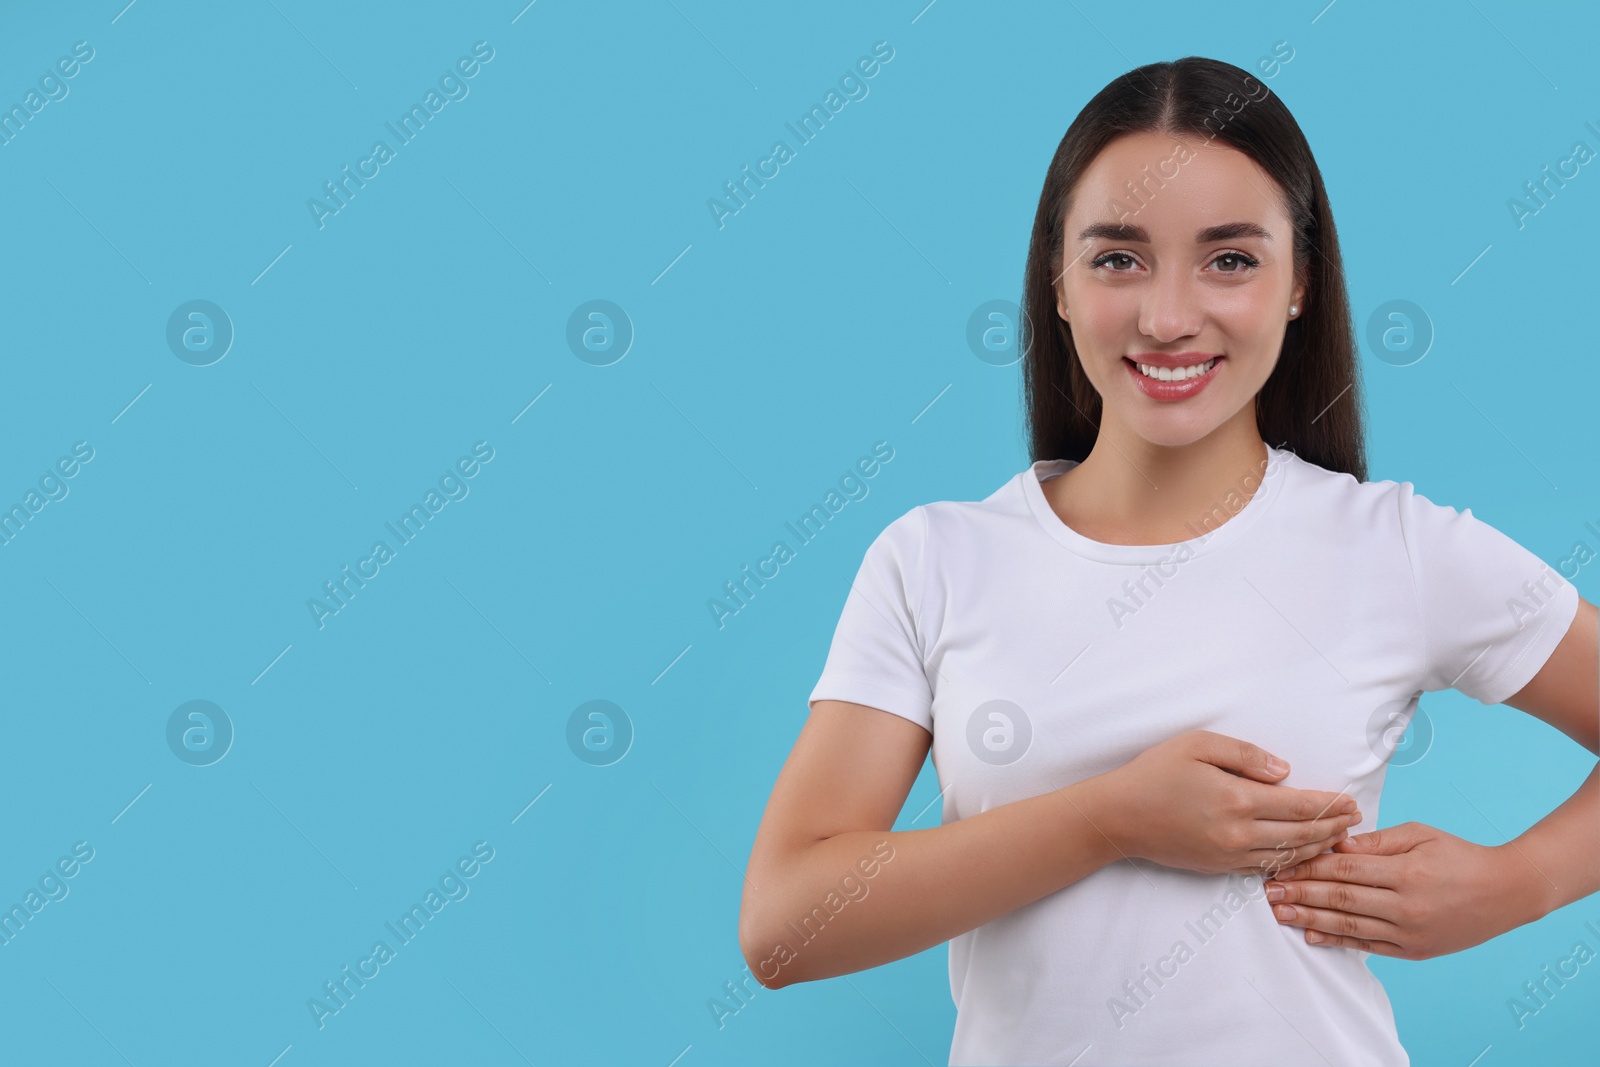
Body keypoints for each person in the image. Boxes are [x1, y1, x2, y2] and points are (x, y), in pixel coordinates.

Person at [736, 55, 1600, 1066]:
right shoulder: (936, 558)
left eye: (1229, 259)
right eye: (1118, 258)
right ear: (1056, 281)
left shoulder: (1393, 546)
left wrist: (1516, 884)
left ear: (1299, 284)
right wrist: (1109, 818)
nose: (1167, 316)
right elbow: (784, 922)